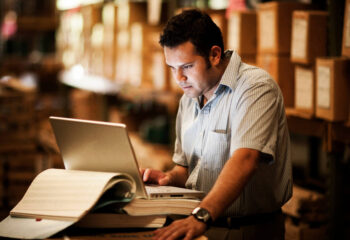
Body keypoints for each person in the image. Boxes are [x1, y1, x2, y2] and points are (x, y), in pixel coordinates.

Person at [141, 9, 292, 240]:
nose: (178, 78)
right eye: (172, 68)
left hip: (246, 230)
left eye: (187, 66)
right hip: (201, 224)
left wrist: (202, 216)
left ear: (214, 54)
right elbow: (187, 168)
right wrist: (168, 179)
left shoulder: (255, 88)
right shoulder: (188, 98)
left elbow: (246, 159)